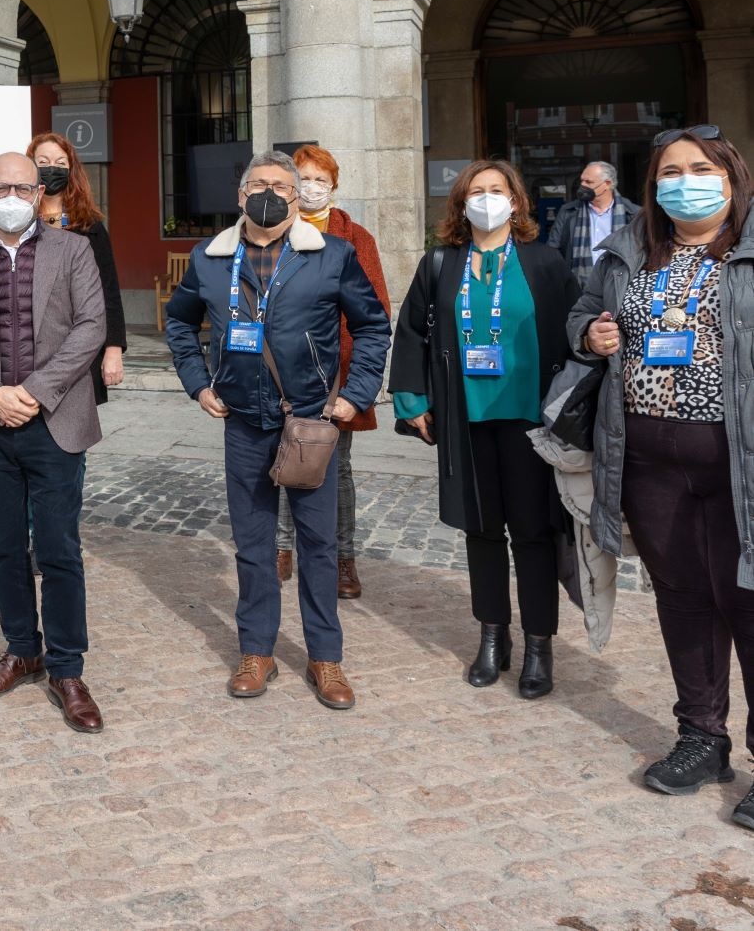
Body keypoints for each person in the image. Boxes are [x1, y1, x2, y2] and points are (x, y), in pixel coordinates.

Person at [568, 126, 754, 829]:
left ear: (731, 176)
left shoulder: (749, 249)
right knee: (681, 598)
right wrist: (590, 334)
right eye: (670, 171)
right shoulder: (626, 250)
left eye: (700, 168)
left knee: (748, 601)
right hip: (647, 459)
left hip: (738, 459)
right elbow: (582, 314)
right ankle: (701, 737)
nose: (684, 181)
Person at [165, 150, 388, 711]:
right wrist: (198, 383)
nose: (269, 192)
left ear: (295, 197)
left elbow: (372, 326)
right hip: (242, 420)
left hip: (310, 421)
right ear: (241, 196)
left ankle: (325, 658)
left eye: (280, 186)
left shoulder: (331, 255)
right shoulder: (210, 257)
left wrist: (354, 396)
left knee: (316, 545)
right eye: (258, 184)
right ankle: (256, 650)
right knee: (254, 544)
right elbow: (178, 321)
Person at [391, 159, 579, 698]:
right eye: (478, 191)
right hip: (464, 417)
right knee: (481, 531)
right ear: (461, 204)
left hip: (529, 419)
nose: (488, 199)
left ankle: (539, 644)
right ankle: (492, 637)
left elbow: (574, 336)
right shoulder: (440, 263)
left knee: (534, 533)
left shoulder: (545, 263)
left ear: (516, 202)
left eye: (497, 190)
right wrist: (412, 400)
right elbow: (410, 333)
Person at [0, 151, 107, 734]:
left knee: (59, 550)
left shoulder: (74, 249)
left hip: (55, 420)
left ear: (39, 193)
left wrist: (33, 391)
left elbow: (91, 327)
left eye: (23, 186)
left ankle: (67, 669)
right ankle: (21, 649)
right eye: (0, 186)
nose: (12, 195)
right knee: (5, 547)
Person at [273, 144, 391, 600]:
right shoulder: (275, 232)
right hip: (282, 373)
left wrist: (360, 384)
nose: (312, 187)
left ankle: (344, 558)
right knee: (280, 458)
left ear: (334, 186)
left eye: (321, 179)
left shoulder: (355, 237)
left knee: (335, 468)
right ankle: (283, 547)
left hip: (335, 377)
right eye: (304, 178)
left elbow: (375, 311)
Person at [28, 133, 126, 400]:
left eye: (61, 162)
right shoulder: (18, 223)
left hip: (80, 345)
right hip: (28, 344)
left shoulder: (89, 226)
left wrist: (113, 349)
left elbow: (109, 290)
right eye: (43, 161)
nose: (52, 168)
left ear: (71, 170)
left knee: (73, 428)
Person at [548, 161, 640, 282]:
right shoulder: (568, 212)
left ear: (607, 184)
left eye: (589, 182)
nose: (582, 185)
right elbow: (553, 249)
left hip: (621, 285)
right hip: (579, 288)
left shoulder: (634, 214)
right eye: (582, 181)